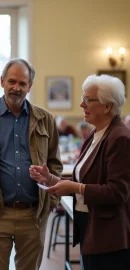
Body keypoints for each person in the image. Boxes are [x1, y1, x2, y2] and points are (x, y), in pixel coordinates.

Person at [0, 58, 63, 270]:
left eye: (22, 83)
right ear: (2, 81)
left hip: (33, 215)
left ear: (30, 86)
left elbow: (55, 163)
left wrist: (51, 201)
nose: (16, 88)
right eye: (12, 81)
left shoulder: (44, 119)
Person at [30, 74, 130, 270]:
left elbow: (118, 192)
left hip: (110, 238)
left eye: (87, 99)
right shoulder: (96, 133)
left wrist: (76, 187)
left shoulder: (120, 138)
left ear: (107, 106)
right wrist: (51, 179)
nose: (81, 104)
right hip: (91, 229)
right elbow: (84, 178)